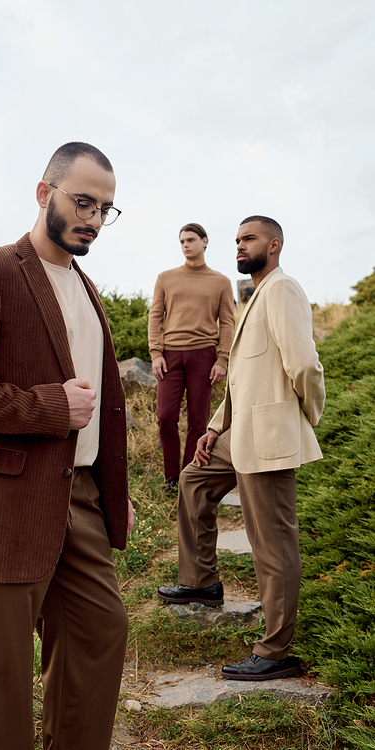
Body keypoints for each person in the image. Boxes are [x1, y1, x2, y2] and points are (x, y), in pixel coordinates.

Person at [0, 142, 134, 750]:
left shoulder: (87, 290)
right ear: (46, 194)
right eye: (84, 201)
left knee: (100, 632)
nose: (94, 218)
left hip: (80, 498)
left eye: (106, 209)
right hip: (2, 503)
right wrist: (47, 407)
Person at [157, 216, 325, 680]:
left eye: (248, 238)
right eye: (235, 240)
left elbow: (304, 364)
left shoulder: (283, 289)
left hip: (268, 435)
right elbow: (242, 377)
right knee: (193, 480)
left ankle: (275, 652)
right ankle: (201, 581)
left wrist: (305, 417)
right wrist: (215, 427)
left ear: (274, 244)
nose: (238, 246)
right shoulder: (253, 294)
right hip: (239, 432)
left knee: (271, 544)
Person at [148, 223, 234, 492]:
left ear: (204, 241)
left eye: (191, 240)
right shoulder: (165, 278)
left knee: (198, 420)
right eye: (182, 241)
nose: (186, 245)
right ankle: (171, 476)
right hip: (170, 355)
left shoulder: (221, 281)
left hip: (203, 356)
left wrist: (222, 360)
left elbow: (228, 323)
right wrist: (156, 354)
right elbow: (155, 316)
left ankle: (189, 475)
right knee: (165, 416)